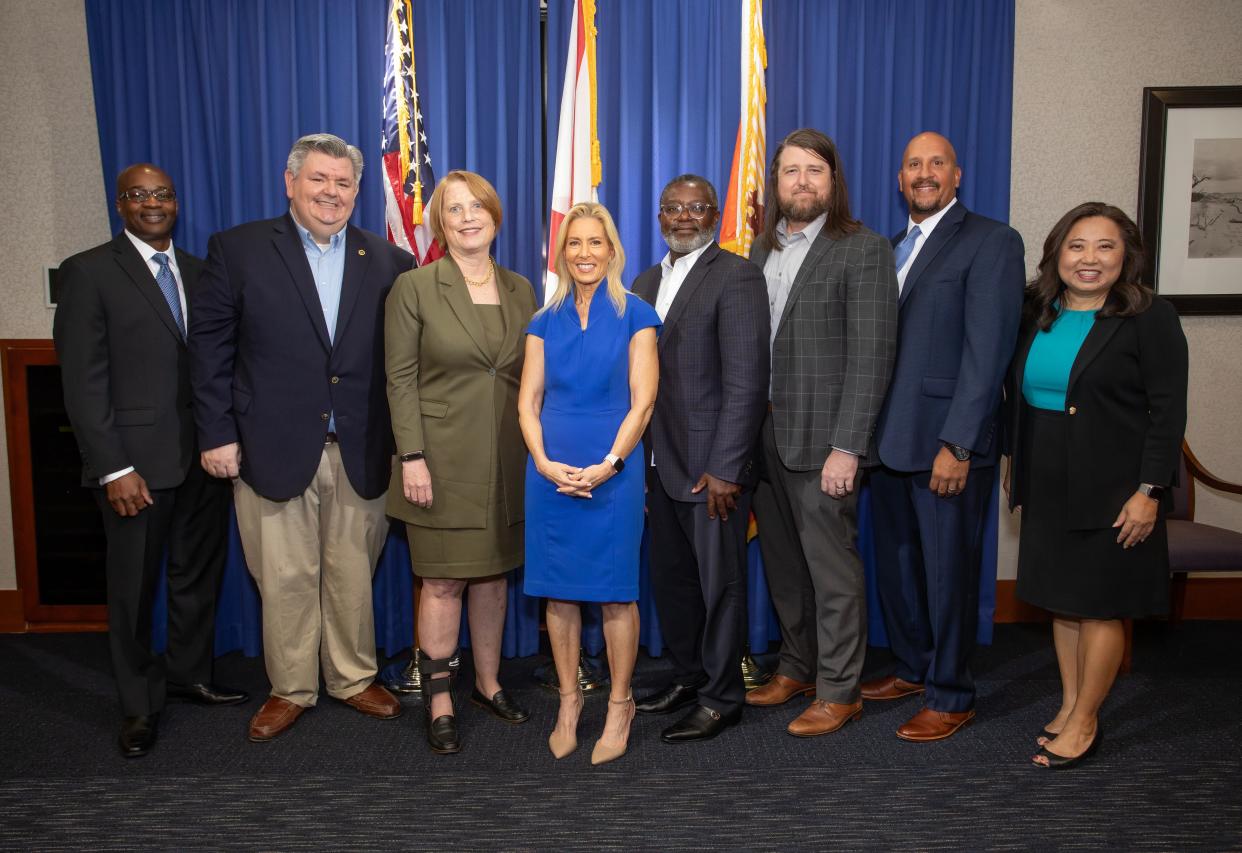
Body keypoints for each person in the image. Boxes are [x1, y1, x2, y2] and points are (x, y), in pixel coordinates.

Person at [189, 133, 414, 742]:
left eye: (343, 183)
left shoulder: (390, 261)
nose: (331, 193)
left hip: (363, 447)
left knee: (351, 570)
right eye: (318, 179)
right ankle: (290, 688)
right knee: (284, 575)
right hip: (268, 446)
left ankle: (351, 677)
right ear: (290, 182)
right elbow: (209, 351)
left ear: (357, 191)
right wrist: (216, 433)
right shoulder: (237, 250)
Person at [53, 163, 246, 758]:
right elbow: (84, 384)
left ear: (177, 202)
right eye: (138, 195)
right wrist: (112, 467)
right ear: (120, 205)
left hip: (202, 459)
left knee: (196, 575)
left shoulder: (198, 270)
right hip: (133, 467)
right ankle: (138, 705)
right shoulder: (88, 273)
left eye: (162, 193)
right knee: (133, 590)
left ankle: (189, 675)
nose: (152, 203)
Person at [1007, 202, 1187, 769]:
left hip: (1115, 485)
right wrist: (1017, 457)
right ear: (1057, 254)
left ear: (1125, 256)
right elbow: (1021, 394)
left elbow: (1168, 413)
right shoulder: (1037, 310)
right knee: (1064, 602)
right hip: (1047, 473)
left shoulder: (1148, 317)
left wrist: (1148, 491)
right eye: (1077, 246)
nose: (1089, 259)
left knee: (1101, 607)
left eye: (1104, 247)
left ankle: (1086, 722)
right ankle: (1068, 704)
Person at [862, 132, 1026, 741]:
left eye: (936, 163)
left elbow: (989, 353)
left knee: (947, 575)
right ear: (899, 180)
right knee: (900, 571)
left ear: (957, 176)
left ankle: (952, 694)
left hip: (945, 446)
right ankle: (913, 668)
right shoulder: (892, 248)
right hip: (888, 444)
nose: (924, 173)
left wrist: (960, 444)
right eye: (912, 165)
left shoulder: (991, 242)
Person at [745, 128, 898, 737]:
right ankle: (797, 667)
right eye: (790, 171)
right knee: (784, 566)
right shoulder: (758, 251)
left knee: (832, 571)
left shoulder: (862, 249)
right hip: (764, 438)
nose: (801, 182)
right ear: (775, 182)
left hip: (824, 442)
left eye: (814, 170)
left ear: (833, 182)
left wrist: (849, 446)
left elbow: (873, 355)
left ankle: (840, 690)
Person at [385, 171, 537, 754]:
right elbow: (399, 381)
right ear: (439, 223)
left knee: (494, 579)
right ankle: (441, 697)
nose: (468, 217)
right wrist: (412, 458)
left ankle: (489, 684)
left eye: (479, 207)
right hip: (439, 462)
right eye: (455, 209)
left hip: (508, 459)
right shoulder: (416, 287)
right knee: (444, 581)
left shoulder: (522, 288)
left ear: (496, 217)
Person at [518, 202, 660, 765]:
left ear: (612, 250)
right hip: (550, 471)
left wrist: (611, 464)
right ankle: (570, 702)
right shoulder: (542, 320)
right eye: (574, 244)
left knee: (616, 594)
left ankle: (620, 704)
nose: (584, 254)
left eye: (595, 243)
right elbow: (528, 403)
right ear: (562, 253)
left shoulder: (638, 314)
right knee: (558, 592)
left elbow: (643, 401)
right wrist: (545, 463)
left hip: (613, 471)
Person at [631, 175, 769, 743]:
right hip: (658, 465)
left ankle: (721, 697)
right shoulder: (643, 281)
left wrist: (728, 468)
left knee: (720, 586)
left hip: (712, 469)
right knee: (674, 582)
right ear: (658, 216)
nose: (683, 217)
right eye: (672, 208)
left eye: (695, 208)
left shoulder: (737, 276)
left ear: (714, 213)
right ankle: (689, 677)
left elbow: (746, 383)